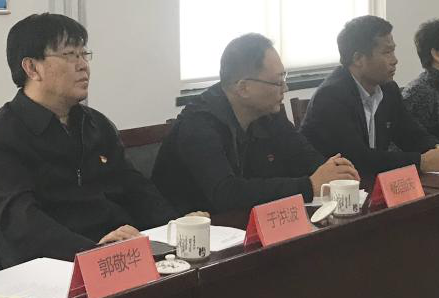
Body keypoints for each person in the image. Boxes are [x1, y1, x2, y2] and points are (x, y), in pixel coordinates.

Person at [0, 13, 184, 267]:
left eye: (84, 54)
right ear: (32, 68)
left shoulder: (96, 125)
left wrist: (178, 228)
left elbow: (135, 188)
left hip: (118, 256)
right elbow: (21, 223)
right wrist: (94, 253)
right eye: (70, 55)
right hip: (53, 268)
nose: (83, 65)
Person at [152, 33, 358, 213]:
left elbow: (303, 156)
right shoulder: (198, 124)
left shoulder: (268, 112)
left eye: (284, 78)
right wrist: (308, 186)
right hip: (195, 230)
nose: (285, 89)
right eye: (277, 82)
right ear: (243, 88)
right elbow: (226, 193)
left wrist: (334, 172)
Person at [300, 16, 439, 175]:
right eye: (387, 52)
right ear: (358, 59)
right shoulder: (331, 96)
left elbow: (412, 135)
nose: (395, 60)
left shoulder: (388, 90)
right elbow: (358, 159)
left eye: (393, 51)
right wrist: (422, 162)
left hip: (373, 180)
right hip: (337, 185)